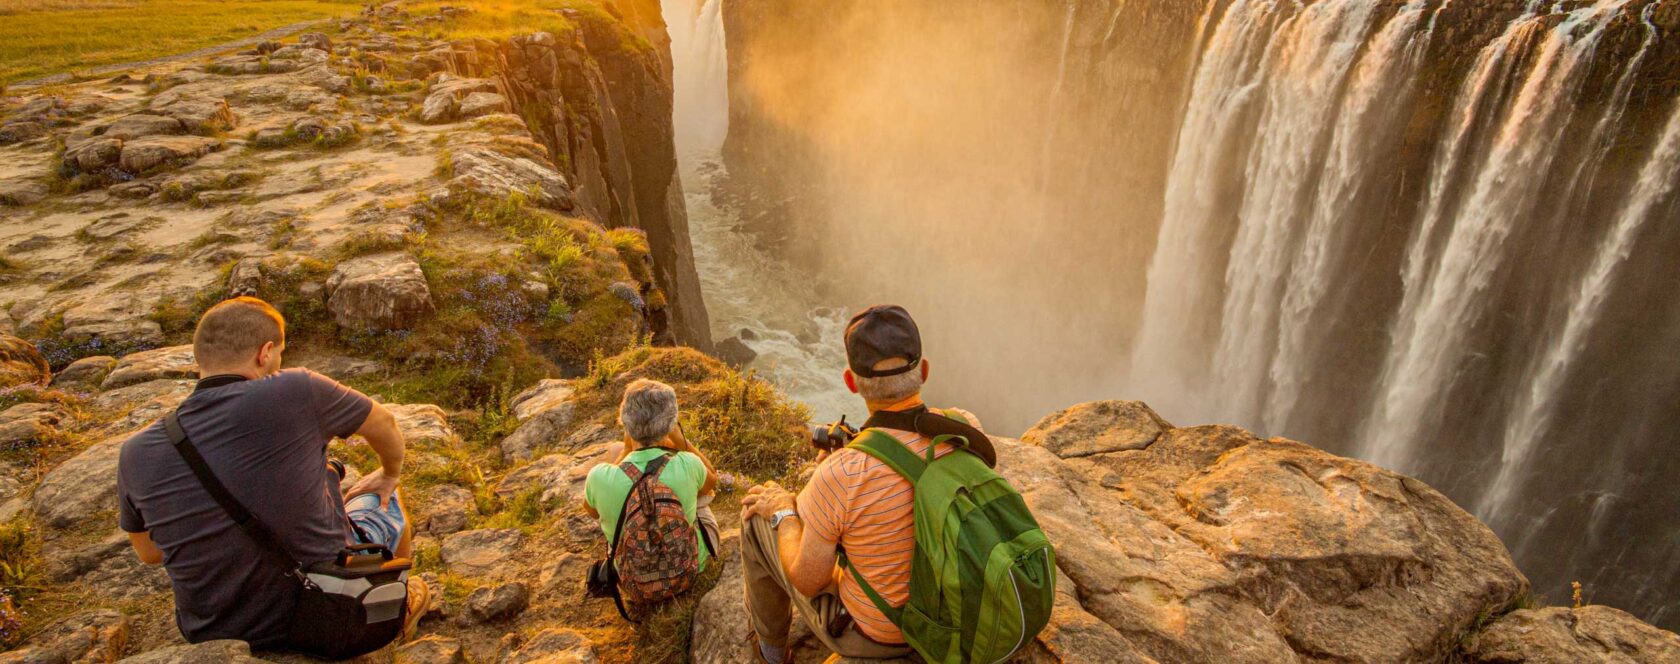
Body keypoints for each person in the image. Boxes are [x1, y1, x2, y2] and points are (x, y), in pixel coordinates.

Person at [116, 296, 428, 650]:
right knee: (382, 498)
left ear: (199, 357)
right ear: (265, 353)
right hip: (330, 619)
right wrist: (389, 473)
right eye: (279, 353)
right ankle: (395, 607)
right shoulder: (295, 388)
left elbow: (150, 553)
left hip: (213, 630)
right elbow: (384, 423)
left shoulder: (135, 451)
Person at [738, 304, 985, 663]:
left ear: (851, 382)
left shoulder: (843, 473)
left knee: (756, 519)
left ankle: (771, 654)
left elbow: (808, 580)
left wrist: (784, 512)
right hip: (956, 613)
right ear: (924, 371)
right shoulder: (964, 427)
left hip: (885, 635)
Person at [584, 379, 720, 603]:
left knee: (612, 503)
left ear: (625, 423)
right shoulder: (688, 463)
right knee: (702, 496)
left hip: (632, 583)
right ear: (670, 424)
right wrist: (681, 441)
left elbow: (592, 512)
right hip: (690, 568)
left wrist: (626, 449)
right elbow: (712, 479)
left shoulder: (598, 477)